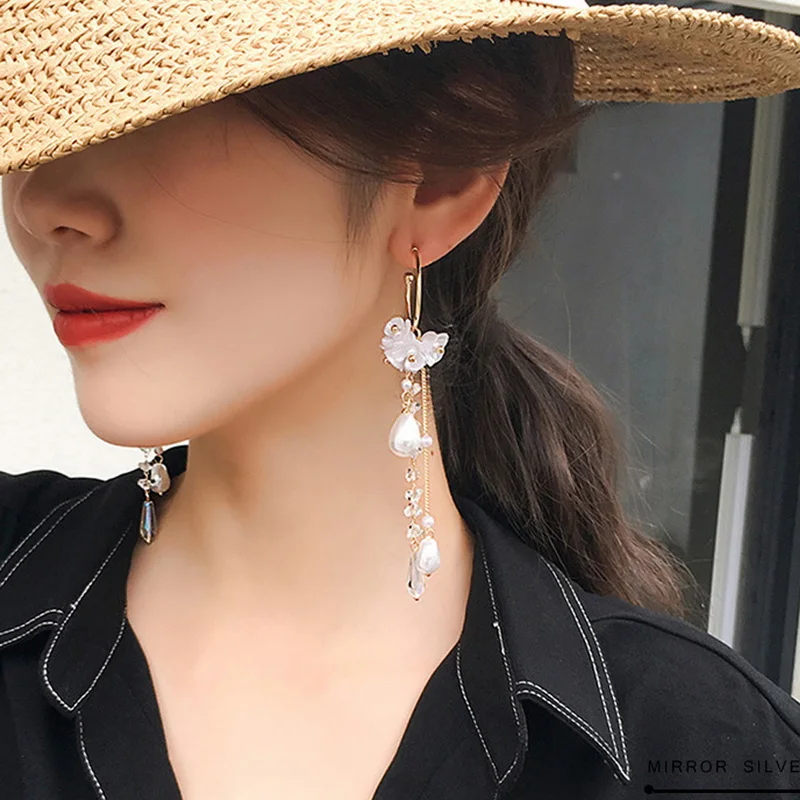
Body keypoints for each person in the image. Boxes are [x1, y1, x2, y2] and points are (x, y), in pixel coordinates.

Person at [1, 0, 800, 798]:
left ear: (441, 176)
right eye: (33, 124)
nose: (40, 204)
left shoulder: (708, 747)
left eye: (155, 110)